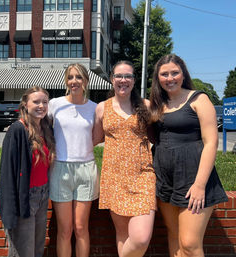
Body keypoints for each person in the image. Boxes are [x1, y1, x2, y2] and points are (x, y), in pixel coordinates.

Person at [149, 54, 228, 257]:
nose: (170, 78)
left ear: (183, 74)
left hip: (193, 176)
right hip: (164, 177)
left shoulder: (198, 99)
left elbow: (211, 142)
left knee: (190, 244)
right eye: (164, 74)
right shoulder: (157, 104)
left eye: (175, 72)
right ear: (158, 78)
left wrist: (200, 185)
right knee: (174, 235)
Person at [93, 60, 156, 257]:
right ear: (112, 79)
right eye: (119, 76)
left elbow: (159, 136)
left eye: (127, 76)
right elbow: (93, 139)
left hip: (142, 176)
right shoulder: (102, 108)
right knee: (122, 235)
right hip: (114, 177)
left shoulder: (146, 105)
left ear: (134, 80)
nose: (123, 80)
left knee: (140, 239)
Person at [48, 63, 99, 257]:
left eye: (79, 77)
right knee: (65, 230)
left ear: (86, 81)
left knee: (80, 228)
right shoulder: (55, 104)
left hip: (86, 169)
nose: (74, 81)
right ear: (66, 81)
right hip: (60, 169)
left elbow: (98, 136)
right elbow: (40, 126)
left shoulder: (95, 108)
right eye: (70, 77)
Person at [0, 86, 56, 257]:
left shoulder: (45, 129)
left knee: (37, 249)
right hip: (24, 198)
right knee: (23, 251)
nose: (41, 106)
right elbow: (7, 173)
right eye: (36, 102)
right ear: (25, 104)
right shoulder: (17, 130)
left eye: (44, 102)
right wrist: (10, 208)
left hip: (42, 195)